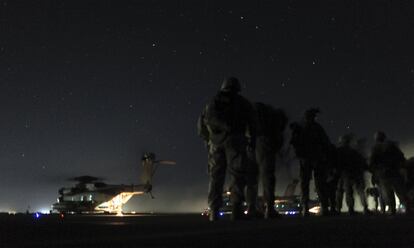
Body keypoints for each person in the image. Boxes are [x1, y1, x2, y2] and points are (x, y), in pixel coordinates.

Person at [197, 77, 256, 221]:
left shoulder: (213, 102)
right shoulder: (242, 103)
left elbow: (201, 125)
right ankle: (236, 209)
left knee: (216, 176)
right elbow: (253, 123)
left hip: (216, 143)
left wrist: (208, 140)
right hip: (235, 141)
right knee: (237, 174)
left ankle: (214, 211)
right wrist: (250, 140)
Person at [246, 102, 287, 219]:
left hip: (248, 143)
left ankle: (251, 208)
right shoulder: (274, 117)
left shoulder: (250, 112)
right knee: (267, 176)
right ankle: (269, 208)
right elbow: (278, 135)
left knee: (251, 178)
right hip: (264, 143)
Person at [289, 108, 331, 216]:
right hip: (316, 158)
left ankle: (305, 208)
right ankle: (323, 207)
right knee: (319, 183)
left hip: (306, 159)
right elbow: (326, 143)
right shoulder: (317, 128)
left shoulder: (300, 127)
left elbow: (293, 142)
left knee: (305, 183)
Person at [369, 131, 410, 214]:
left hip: (383, 174)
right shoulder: (391, 146)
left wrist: (374, 173)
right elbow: (401, 156)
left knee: (388, 193)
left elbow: (372, 162)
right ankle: (408, 208)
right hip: (394, 172)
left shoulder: (376, 148)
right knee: (400, 192)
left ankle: (392, 210)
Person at [336, 134, 370, 215]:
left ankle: (340, 209)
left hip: (344, 174)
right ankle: (363, 207)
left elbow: (336, 162)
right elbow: (362, 162)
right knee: (358, 191)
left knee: (343, 192)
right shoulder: (354, 152)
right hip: (355, 174)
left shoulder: (339, 151)